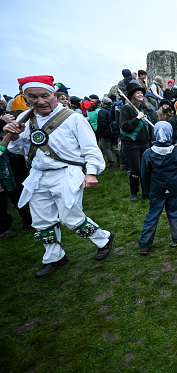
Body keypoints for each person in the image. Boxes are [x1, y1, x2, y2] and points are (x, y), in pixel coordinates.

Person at [3, 75, 113, 278]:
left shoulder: (73, 118)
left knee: (70, 217)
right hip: (37, 175)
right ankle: (54, 257)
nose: (40, 101)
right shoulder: (24, 120)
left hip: (66, 173)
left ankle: (104, 239)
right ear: (26, 98)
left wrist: (91, 173)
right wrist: (15, 135)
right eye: (33, 97)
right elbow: (18, 150)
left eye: (44, 95)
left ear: (54, 95)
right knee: (41, 221)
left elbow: (90, 149)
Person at [138, 121, 177, 255]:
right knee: (176, 213)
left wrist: (147, 189)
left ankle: (145, 244)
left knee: (153, 215)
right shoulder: (176, 152)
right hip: (173, 187)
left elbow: (144, 174)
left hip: (157, 188)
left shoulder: (148, 153)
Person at [119, 80, 157, 201]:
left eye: (141, 93)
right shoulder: (126, 109)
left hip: (145, 143)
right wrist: (137, 118)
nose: (141, 95)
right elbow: (124, 127)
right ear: (132, 96)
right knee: (135, 169)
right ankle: (134, 193)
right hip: (131, 144)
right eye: (138, 93)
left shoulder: (143, 109)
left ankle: (146, 191)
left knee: (146, 168)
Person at [96, 96, 119, 168]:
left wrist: (99, 132)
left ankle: (112, 162)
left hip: (107, 132)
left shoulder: (102, 111)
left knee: (105, 147)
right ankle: (119, 156)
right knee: (111, 146)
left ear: (103, 103)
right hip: (114, 131)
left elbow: (102, 123)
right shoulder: (114, 110)